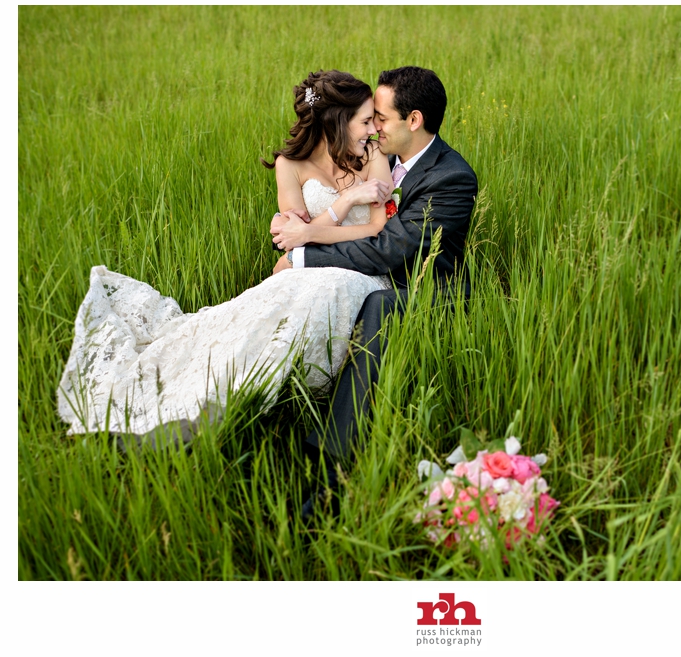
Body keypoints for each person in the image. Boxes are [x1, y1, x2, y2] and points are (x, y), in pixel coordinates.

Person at [57, 70, 397, 444]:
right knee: (259, 309)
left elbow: (376, 230)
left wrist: (312, 233)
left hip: (359, 270)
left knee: (320, 286)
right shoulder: (290, 165)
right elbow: (292, 244)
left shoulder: (372, 155)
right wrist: (345, 202)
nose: (372, 130)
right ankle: (216, 388)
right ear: (337, 121)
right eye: (365, 121)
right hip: (303, 268)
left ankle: (278, 387)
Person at [271, 66, 478, 520]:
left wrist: (303, 256)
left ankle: (332, 473)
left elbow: (392, 248)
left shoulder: (452, 178)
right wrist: (291, 234)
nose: (373, 127)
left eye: (380, 118)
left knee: (380, 305)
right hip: (359, 273)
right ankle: (274, 411)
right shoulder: (367, 152)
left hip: (424, 292)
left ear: (414, 120)